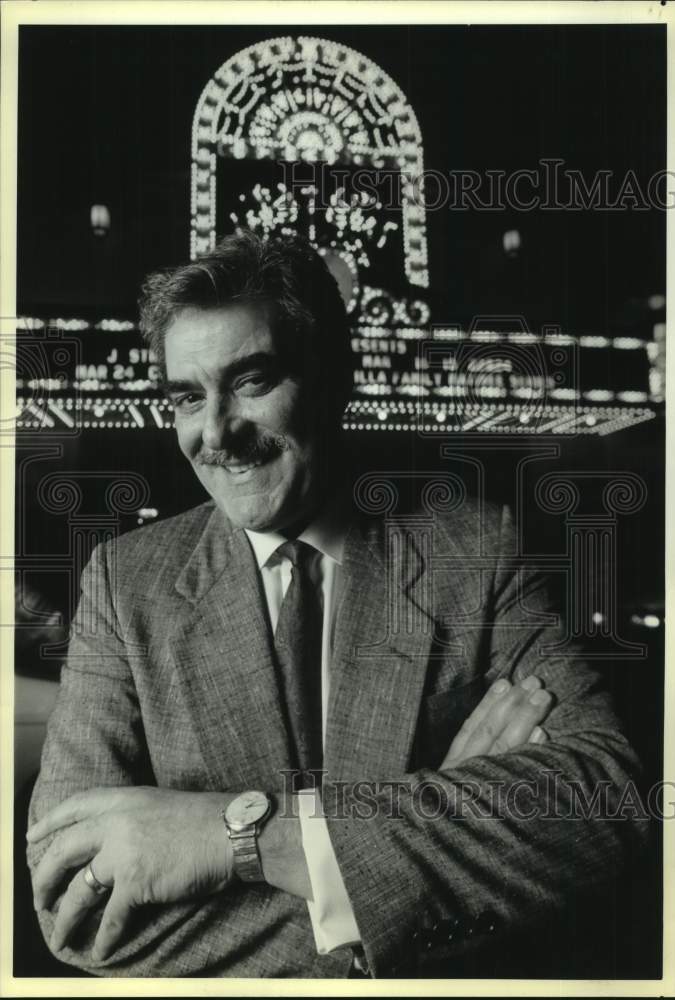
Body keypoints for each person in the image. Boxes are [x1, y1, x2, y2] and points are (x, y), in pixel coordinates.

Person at [26, 231, 646, 978]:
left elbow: (602, 803)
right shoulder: (124, 584)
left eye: (251, 381)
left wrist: (231, 839)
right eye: (188, 397)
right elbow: (72, 904)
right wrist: (413, 861)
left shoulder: (476, 549)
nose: (216, 432)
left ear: (332, 377)